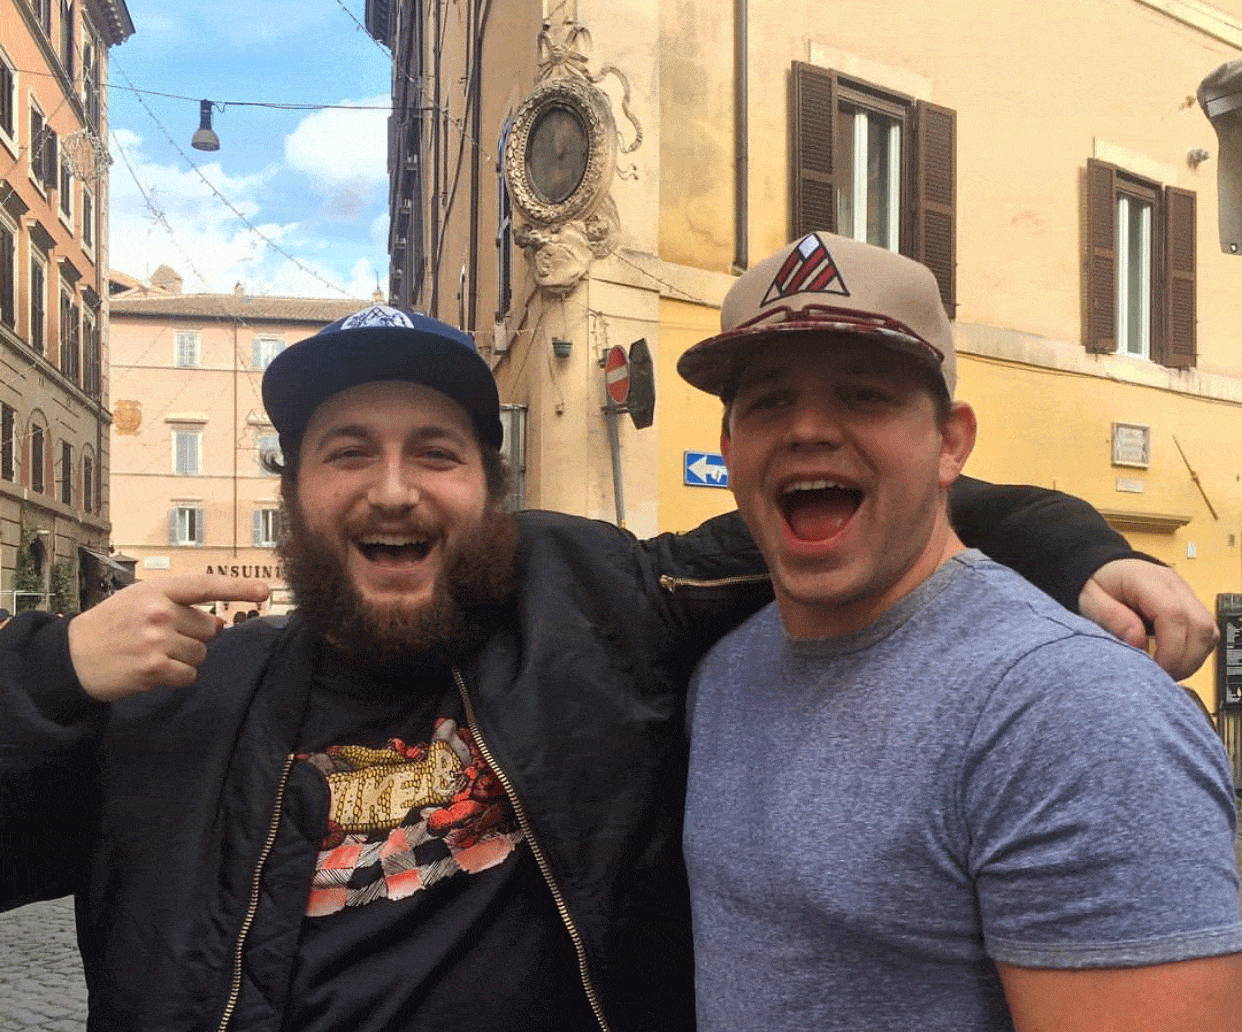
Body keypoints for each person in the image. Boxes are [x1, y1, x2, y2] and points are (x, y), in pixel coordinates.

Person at [0, 306, 1217, 1032]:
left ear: (490, 496)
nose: (390, 487)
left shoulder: (596, 610)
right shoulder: (164, 701)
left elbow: (850, 497)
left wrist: (1071, 549)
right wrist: (50, 677)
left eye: (437, 452)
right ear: (293, 494)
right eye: (345, 453)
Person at [677, 232, 1242, 1032]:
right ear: (730, 448)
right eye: (768, 401)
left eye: (863, 394)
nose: (807, 429)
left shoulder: (1074, 712)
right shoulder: (723, 675)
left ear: (950, 444)